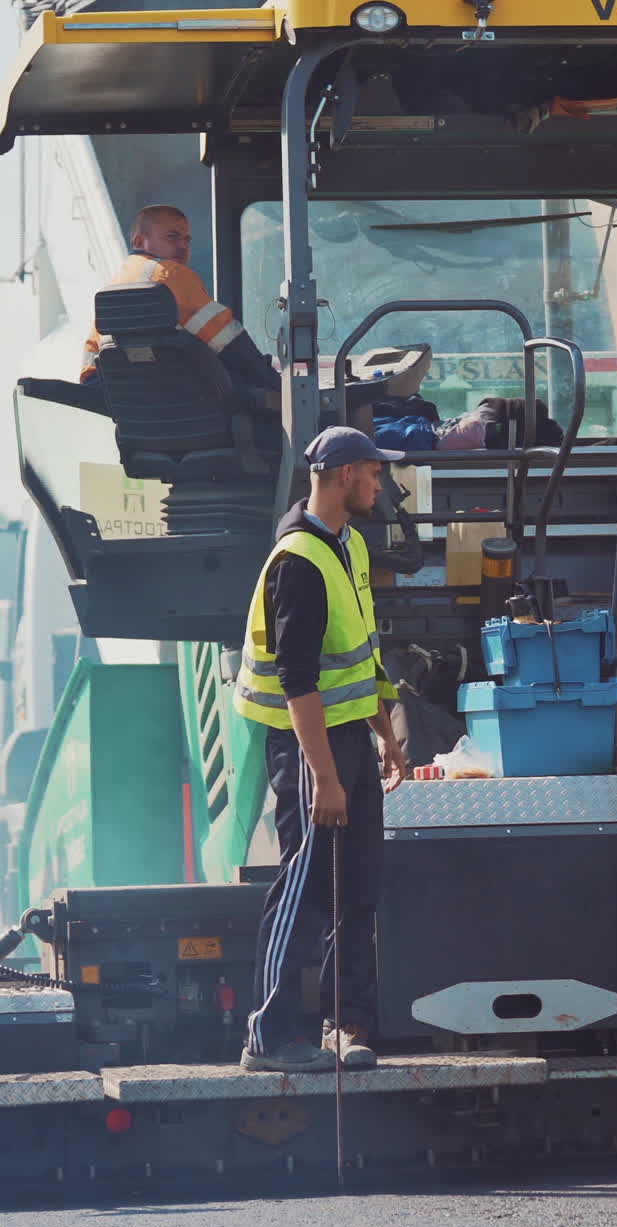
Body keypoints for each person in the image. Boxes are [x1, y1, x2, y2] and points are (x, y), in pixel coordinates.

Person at [234, 426, 409, 1073]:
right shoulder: (299, 563)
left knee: (358, 886)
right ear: (343, 476)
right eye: (373, 473)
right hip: (312, 746)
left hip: (352, 736)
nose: (380, 484)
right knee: (306, 885)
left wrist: (388, 738)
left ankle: (347, 1022)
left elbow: (364, 651)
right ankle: (269, 1037)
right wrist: (325, 777)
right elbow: (297, 681)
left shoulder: (350, 546)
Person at [81, 204, 275, 389]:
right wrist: (271, 380)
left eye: (187, 240)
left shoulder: (114, 286)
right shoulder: (170, 273)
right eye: (172, 237)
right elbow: (227, 340)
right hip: (176, 392)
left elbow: (90, 372)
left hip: (122, 396)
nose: (183, 246)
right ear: (140, 242)